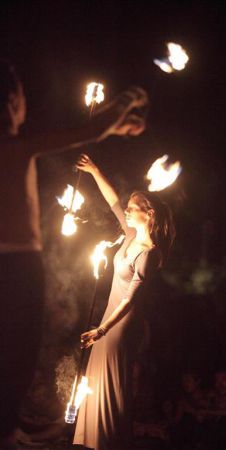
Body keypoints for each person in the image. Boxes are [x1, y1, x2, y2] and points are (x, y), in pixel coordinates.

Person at [0, 59, 147, 450]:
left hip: (17, 268)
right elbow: (90, 129)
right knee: (15, 358)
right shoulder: (18, 145)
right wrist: (130, 99)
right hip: (17, 267)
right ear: (13, 101)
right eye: (22, 96)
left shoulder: (17, 146)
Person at [73, 153, 175, 450]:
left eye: (134, 209)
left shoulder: (149, 252)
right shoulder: (130, 235)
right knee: (96, 379)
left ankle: (110, 443)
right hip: (108, 319)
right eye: (129, 209)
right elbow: (113, 201)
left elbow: (131, 299)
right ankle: (93, 442)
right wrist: (93, 170)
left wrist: (102, 330)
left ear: (149, 213)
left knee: (110, 384)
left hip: (120, 325)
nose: (127, 212)